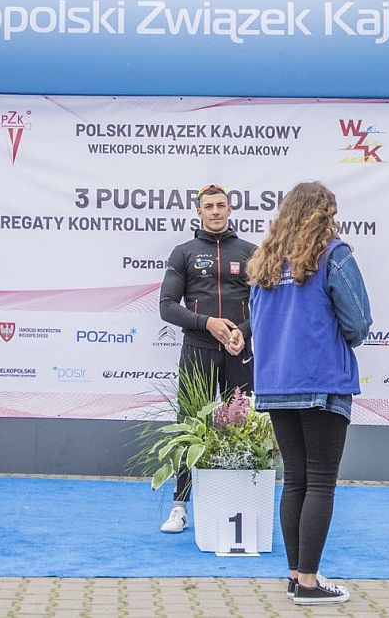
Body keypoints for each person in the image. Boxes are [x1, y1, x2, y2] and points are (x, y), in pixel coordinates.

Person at [246, 182, 370, 605]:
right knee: (320, 481)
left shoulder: (263, 261)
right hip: (321, 382)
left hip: (276, 383)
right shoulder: (333, 254)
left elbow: (257, 321)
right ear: (325, 214)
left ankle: (296, 575)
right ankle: (310, 584)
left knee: (295, 480)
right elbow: (358, 322)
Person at [157, 182, 257, 533]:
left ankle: (238, 504)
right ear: (198, 212)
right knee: (191, 428)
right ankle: (180, 507)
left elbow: (265, 306)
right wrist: (208, 323)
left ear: (230, 210)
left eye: (221, 205)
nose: (215, 211)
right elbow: (167, 307)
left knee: (240, 428)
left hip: (238, 351)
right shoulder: (183, 252)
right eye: (208, 206)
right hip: (198, 350)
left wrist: (241, 331)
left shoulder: (251, 252)